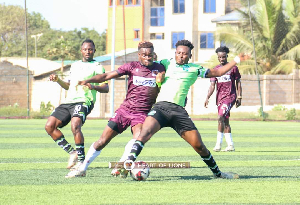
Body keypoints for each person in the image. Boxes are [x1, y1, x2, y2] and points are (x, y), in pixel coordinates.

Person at [122, 40, 246, 179]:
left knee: (199, 146)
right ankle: (128, 163)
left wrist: (236, 59)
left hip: (178, 112)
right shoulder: (166, 63)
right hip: (161, 107)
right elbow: (149, 59)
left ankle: (219, 174)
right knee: (144, 134)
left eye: (184, 54)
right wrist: (144, 48)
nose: (181, 56)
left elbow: (218, 72)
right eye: (179, 53)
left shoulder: (195, 69)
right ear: (175, 54)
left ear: (190, 56)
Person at [65, 41, 165, 178]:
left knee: (138, 139)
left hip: (141, 114)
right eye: (144, 55)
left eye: (150, 55)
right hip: (125, 110)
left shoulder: (160, 68)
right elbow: (106, 76)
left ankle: (121, 164)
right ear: (139, 55)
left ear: (154, 55)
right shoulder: (131, 66)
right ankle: (82, 168)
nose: (148, 57)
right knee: (102, 141)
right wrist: (87, 80)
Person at [45, 39, 109, 170]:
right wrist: (58, 80)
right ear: (81, 51)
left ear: (94, 51)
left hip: (84, 101)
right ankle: (72, 152)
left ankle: (81, 161)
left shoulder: (97, 66)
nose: (87, 51)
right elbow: (68, 86)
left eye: (90, 49)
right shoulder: (74, 66)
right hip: (69, 101)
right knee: (49, 126)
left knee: (75, 125)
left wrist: (92, 86)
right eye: (85, 49)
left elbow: (105, 87)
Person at [204, 46, 242, 152]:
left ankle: (218, 145)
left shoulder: (233, 68)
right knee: (225, 120)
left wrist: (239, 97)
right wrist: (207, 97)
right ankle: (230, 145)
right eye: (220, 57)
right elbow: (212, 85)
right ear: (218, 57)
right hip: (220, 98)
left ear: (227, 56)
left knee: (220, 117)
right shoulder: (215, 70)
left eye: (224, 57)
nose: (222, 59)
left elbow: (238, 82)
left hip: (230, 97)